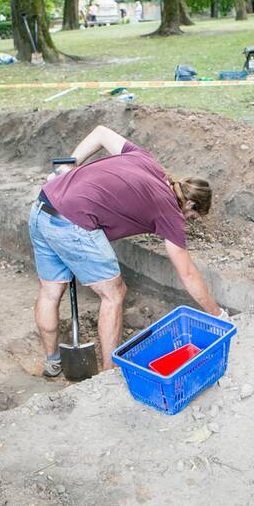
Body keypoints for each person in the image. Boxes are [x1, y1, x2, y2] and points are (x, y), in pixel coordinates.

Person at [30, 126, 226, 376]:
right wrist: (216, 314)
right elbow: (187, 273)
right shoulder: (170, 211)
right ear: (189, 203)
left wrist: (70, 165)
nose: (186, 221)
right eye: (192, 217)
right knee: (114, 293)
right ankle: (108, 373)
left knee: (50, 291)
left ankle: (53, 361)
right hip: (72, 223)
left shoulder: (146, 160)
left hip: (43, 205)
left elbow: (100, 133)